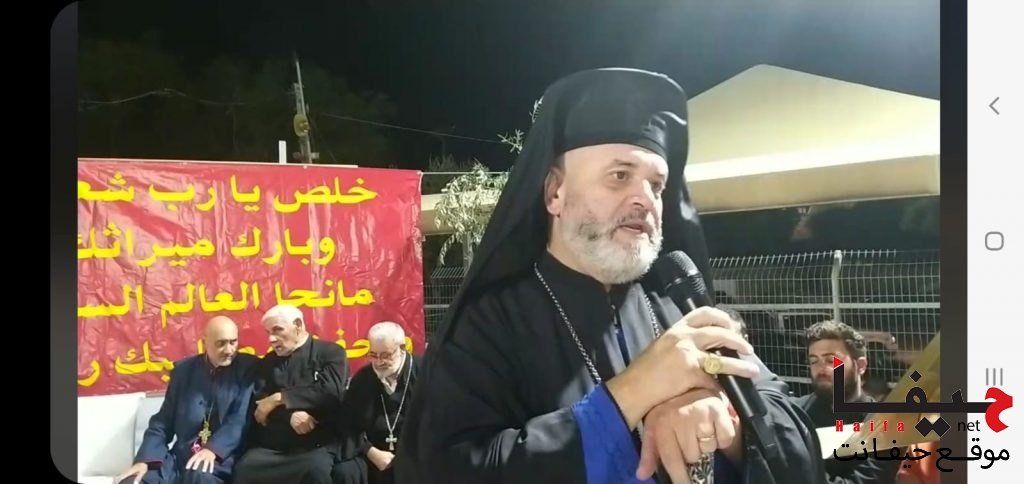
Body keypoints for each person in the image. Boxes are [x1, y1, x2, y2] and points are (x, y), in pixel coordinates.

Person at [394, 68, 826, 484]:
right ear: (555, 192)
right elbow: (448, 470)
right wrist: (633, 392)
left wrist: (725, 422)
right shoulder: (488, 323)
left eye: (657, 185)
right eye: (620, 176)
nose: (645, 199)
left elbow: (796, 438)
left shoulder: (679, 308)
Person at [115, 316, 258, 484]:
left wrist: (213, 450)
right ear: (204, 342)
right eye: (221, 344)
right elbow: (163, 422)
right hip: (180, 458)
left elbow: (239, 420)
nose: (229, 350)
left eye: (233, 342)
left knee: (198, 475)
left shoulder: (248, 368)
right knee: (132, 481)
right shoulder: (184, 371)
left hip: (222, 458)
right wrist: (144, 460)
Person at [233, 304, 361, 484]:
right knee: (245, 468)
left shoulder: (331, 352)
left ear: (298, 325)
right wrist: (289, 415)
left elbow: (330, 393)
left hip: (318, 442)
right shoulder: (269, 361)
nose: (271, 338)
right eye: (268, 332)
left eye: (277, 330)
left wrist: (280, 398)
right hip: (276, 446)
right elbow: (261, 404)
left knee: (315, 470)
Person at [794, 320, 900, 484]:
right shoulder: (796, 412)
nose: (821, 369)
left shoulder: (882, 425)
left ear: (861, 366)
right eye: (814, 361)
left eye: (831, 361)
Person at [339, 322, 420, 484]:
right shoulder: (363, 379)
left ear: (402, 348)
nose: (378, 362)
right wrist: (370, 451)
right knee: (344, 471)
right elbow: (348, 424)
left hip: (418, 453)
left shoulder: (425, 373)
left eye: (385, 355)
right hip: (375, 456)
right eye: (373, 355)